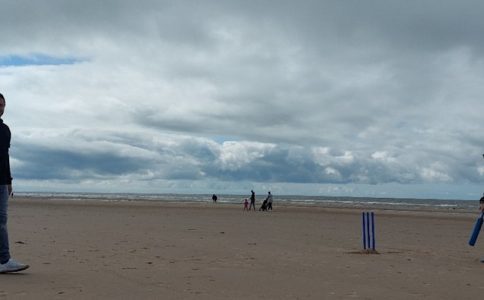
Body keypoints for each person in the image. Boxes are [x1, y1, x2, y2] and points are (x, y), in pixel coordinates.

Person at [0, 93, 29, 273]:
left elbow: (5, 157)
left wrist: (9, 180)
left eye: (2, 105)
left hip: (1, 182)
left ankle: (4, 260)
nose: (0, 107)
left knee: (1, 221)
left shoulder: (5, 130)